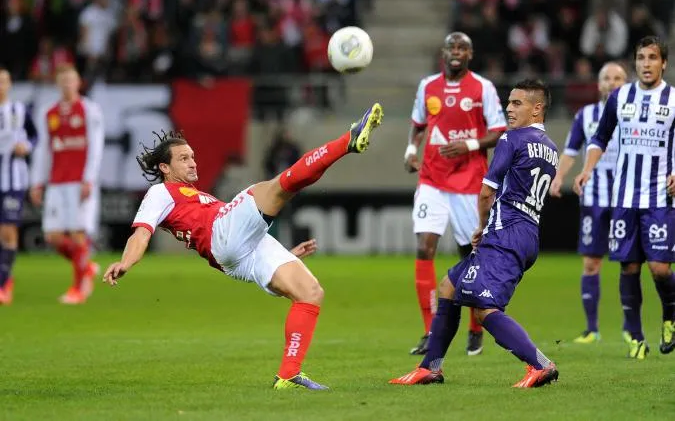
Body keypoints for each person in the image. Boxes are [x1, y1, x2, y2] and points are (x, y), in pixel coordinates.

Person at [102, 104, 384, 390]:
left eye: (193, 157)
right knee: (278, 186)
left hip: (237, 253)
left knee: (310, 293)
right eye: (184, 158)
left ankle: (288, 375)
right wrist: (126, 263)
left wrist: (286, 255)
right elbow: (140, 234)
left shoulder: (191, 194)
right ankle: (347, 141)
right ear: (165, 167)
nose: (192, 163)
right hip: (222, 234)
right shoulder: (159, 193)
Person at [390, 79, 559, 388]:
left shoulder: (512, 140)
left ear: (537, 109)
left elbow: (486, 192)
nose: (509, 108)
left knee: (484, 308)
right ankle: (431, 367)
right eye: (508, 102)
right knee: (449, 287)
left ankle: (540, 364)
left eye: (517, 103)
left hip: (504, 233)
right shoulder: (550, 149)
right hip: (529, 232)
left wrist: (481, 226)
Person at [404, 32, 507, 356]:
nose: (456, 52)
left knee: (469, 255)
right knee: (424, 247)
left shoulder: (482, 88)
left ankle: (475, 326)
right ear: (444, 52)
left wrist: (470, 144)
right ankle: (430, 330)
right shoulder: (427, 86)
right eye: (452, 47)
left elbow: (499, 131)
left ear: (470, 54)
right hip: (432, 178)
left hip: (468, 181)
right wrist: (410, 149)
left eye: (462, 47)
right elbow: (419, 123)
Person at [574, 36, 675, 359]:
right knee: (629, 266)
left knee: (659, 268)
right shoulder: (621, 97)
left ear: (664, 63)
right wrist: (587, 169)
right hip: (625, 197)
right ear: (635, 63)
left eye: (653, 58)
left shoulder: (673, 99)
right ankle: (635, 335)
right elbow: (600, 137)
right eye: (641, 58)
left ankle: (670, 316)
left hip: (660, 196)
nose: (646, 63)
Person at [549, 62, 627, 343]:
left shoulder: (632, 114)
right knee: (591, 263)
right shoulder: (586, 115)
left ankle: (633, 328)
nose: (612, 82)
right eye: (607, 78)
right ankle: (592, 329)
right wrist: (558, 177)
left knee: (630, 263)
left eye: (618, 78)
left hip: (626, 199)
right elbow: (570, 151)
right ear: (599, 84)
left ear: (626, 82)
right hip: (594, 199)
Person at [30, 65, 103, 305]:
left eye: (70, 80)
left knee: (78, 233)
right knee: (52, 236)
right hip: (56, 181)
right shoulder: (48, 112)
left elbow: (95, 147)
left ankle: (79, 288)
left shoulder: (89, 110)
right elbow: (43, 150)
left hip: (79, 182)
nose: (66, 85)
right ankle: (86, 267)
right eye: (62, 81)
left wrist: (88, 179)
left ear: (78, 82)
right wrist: (37, 182)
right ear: (57, 84)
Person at [0, 68, 38, 304]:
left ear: (10, 84)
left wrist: (27, 146)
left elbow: (34, 136)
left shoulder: (19, 110)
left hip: (13, 180)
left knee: (7, 231)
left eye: (4, 80)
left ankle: (4, 281)